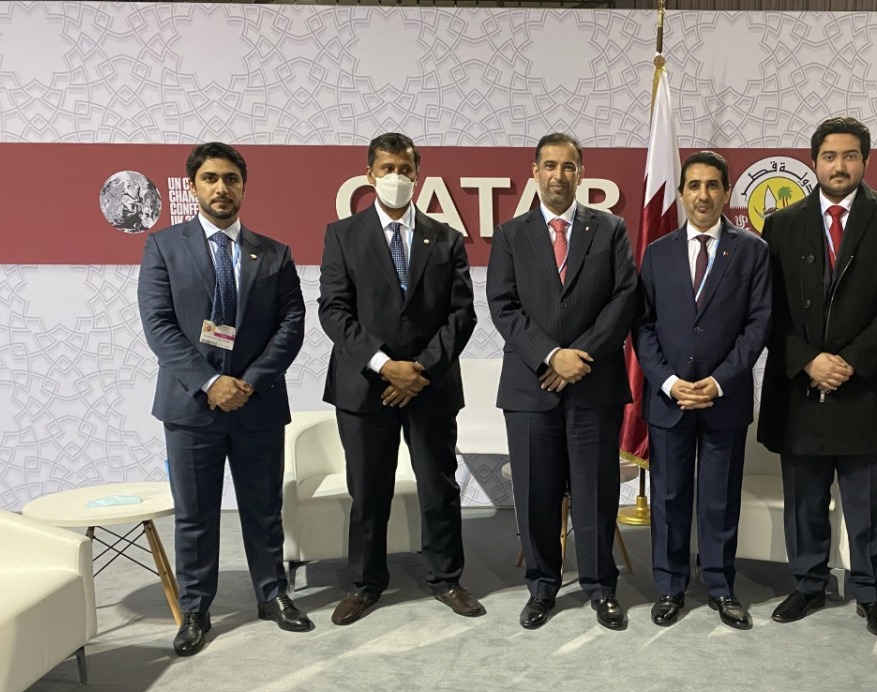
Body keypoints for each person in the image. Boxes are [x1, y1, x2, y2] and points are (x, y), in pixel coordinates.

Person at [138, 142, 309, 657]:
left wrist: (249, 381)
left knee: (263, 509)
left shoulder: (273, 253)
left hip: (257, 405)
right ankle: (196, 609)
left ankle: (272, 595)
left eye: (231, 179)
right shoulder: (164, 246)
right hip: (191, 408)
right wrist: (210, 383)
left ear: (243, 186)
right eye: (210, 178)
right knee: (196, 515)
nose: (221, 188)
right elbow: (159, 326)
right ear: (193, 187)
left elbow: (291, 324)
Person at [758, 116, 877, 642]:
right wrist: (809, 360)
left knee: (866, 502)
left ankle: (870, 594)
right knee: (804, 497)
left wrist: (848, 361)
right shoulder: (782, 225)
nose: (839, 165)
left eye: (850, 156)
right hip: (802, 387)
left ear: (865, 161)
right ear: (814, 162)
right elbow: (767, 308)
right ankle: (807, 584)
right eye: (830, 156)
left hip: (866, 387)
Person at [318, 133, 479, 626]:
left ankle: (447, 579)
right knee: (369, 491)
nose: (396, 178)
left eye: (405, 169)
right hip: (365, 388)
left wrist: (420, 370)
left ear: (418, 175)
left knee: (439, 487)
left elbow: (462, 315)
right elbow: (334, 311)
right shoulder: (342, 235)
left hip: (430, 386)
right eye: (387, 168)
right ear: (370, 175)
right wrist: (385, 366)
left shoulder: (446, 237)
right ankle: (365, 584)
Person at [486, 133, 638, 631]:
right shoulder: (511, 234)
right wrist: (551, 355)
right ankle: (542, 587)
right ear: (534, 172)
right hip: (531, 388)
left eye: (568, 166)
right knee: (535, 494)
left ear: (580, 172)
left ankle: (600, 587)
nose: (558, 175)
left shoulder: (610, 228)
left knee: (595, 491)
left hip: (594, 384)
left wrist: (580, 356)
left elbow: (623, 299)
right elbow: (503, 306)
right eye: (549, 166)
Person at [635, 151, 771, 629]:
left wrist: (717, 381)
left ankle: (719, 584)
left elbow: (758, 326)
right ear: (680, 193)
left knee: (718, 499)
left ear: (727, 192)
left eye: (713, 185)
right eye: (693, 185)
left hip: (723, 399)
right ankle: (671, 586)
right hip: (669, 401)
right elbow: (643, 326)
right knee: (669, 499)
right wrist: (670, 383)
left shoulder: (752, 251)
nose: (703, 195)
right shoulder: (658, 252)